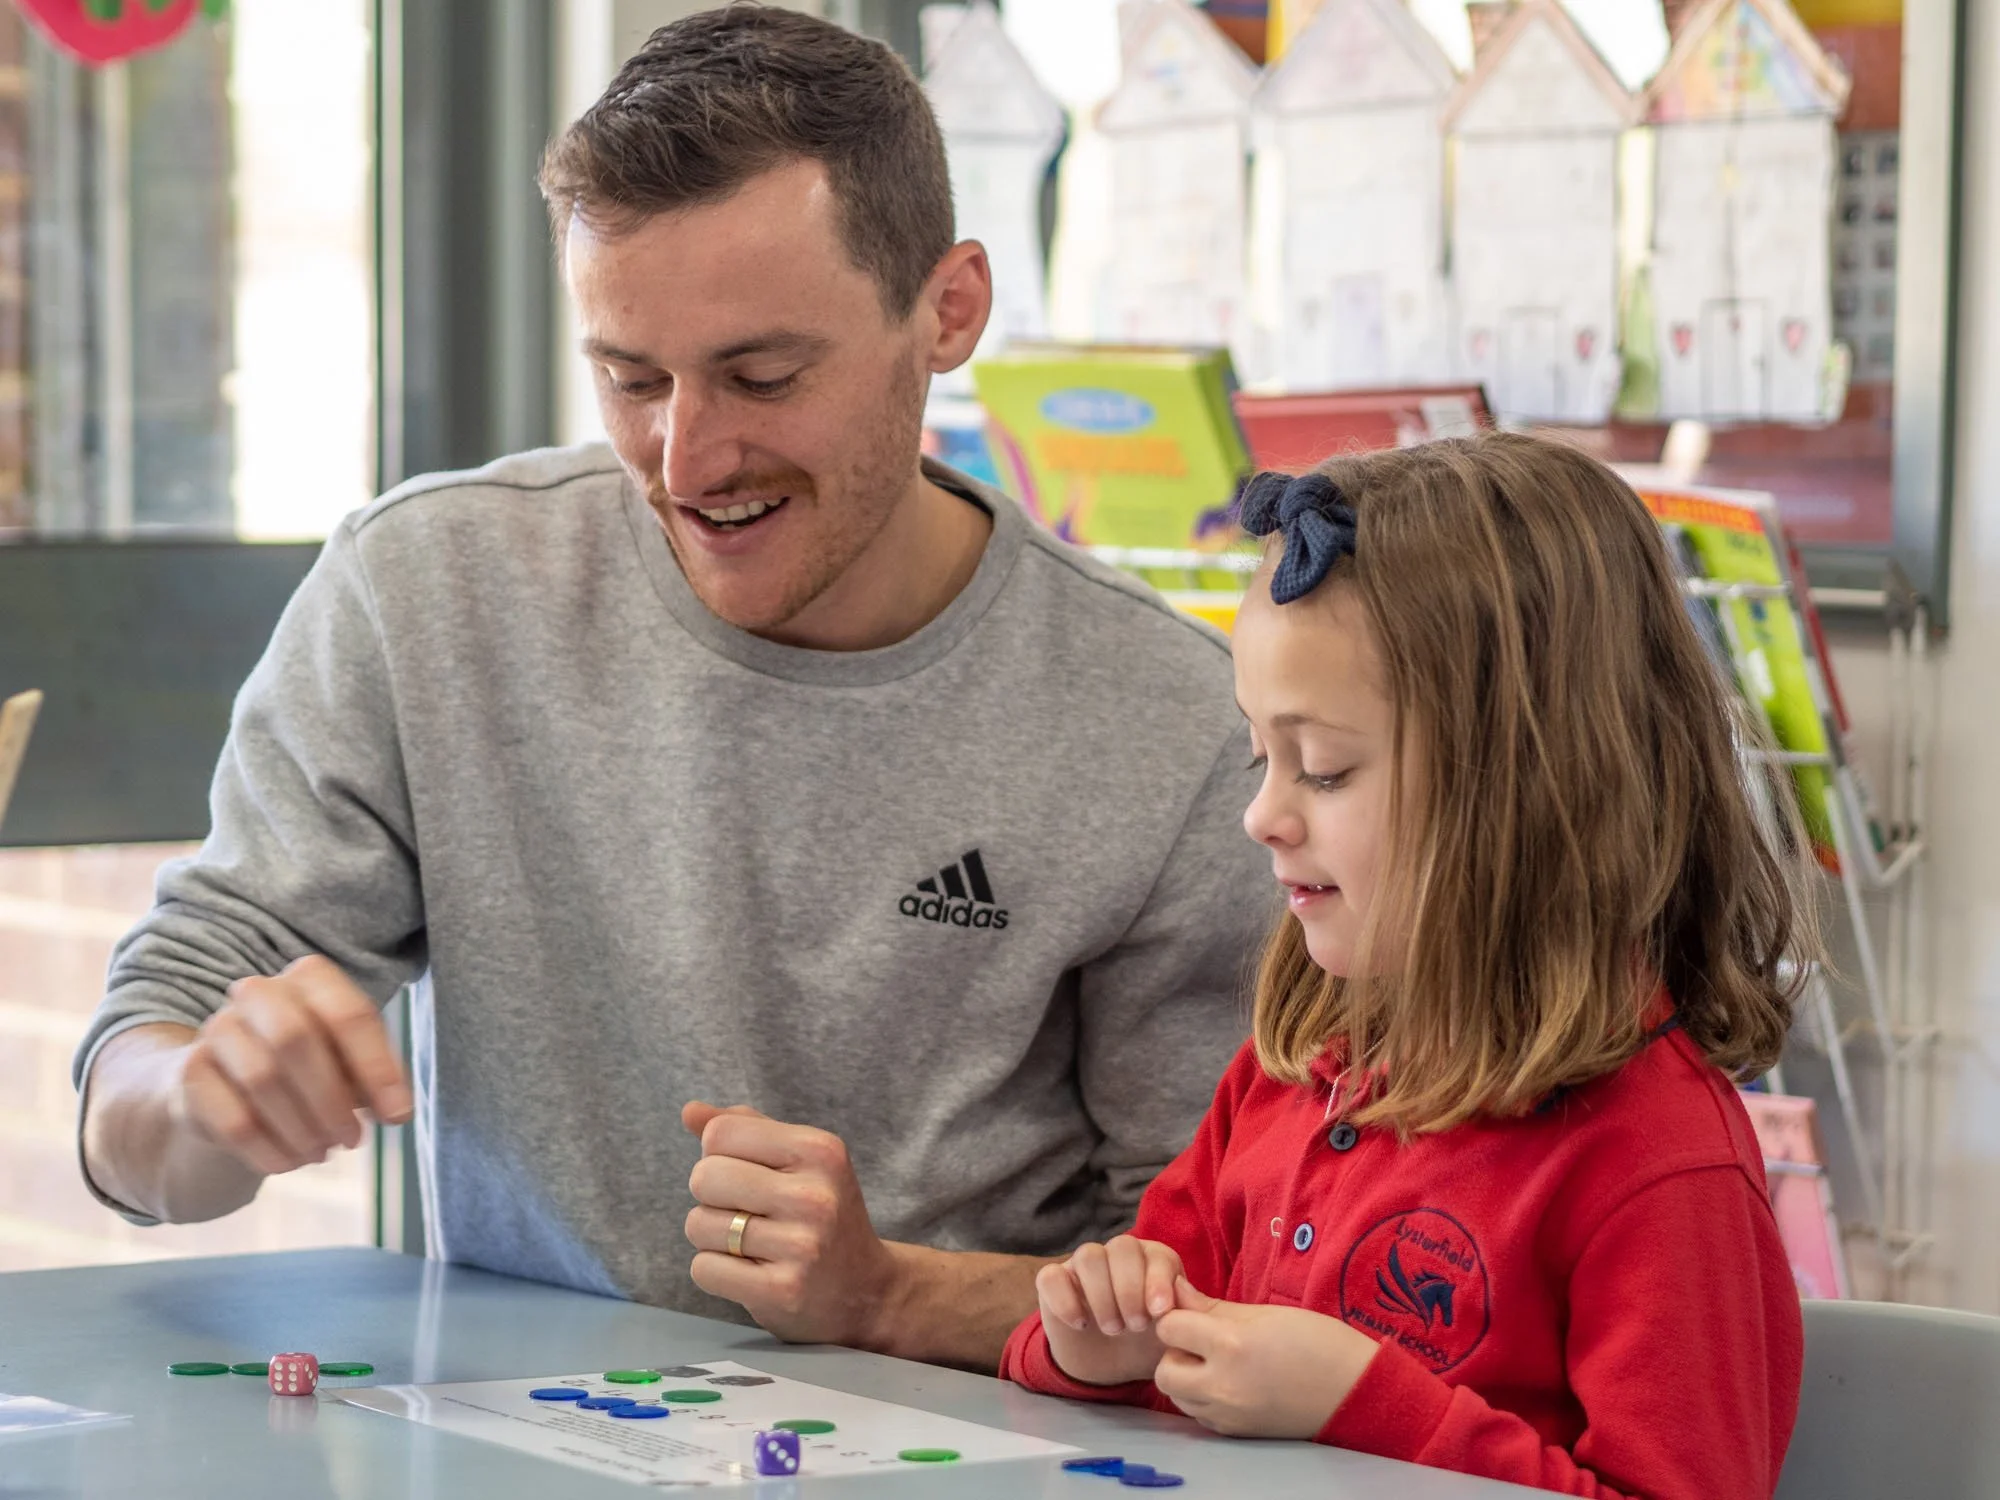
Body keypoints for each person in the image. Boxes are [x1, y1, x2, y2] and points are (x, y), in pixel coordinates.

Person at [70, 5, 1271, 1373]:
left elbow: (1214, 1283)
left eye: (764, 376)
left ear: (950, 313)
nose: (687, 459)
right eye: (630, 379)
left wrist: (888, 1292)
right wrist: (198, 1107)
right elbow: (143, 1090)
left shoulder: (1170, 725)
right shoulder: (428, 591)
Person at [1001, 433, 1812, 1497]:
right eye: (1261, 755)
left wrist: (1359, 1403)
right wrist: (1084, 1346)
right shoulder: (1289, 1074)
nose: (1260, 816)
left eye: (1324, 770)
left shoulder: (1654, 1163)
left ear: (1524, 790)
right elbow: (1119, 1361)